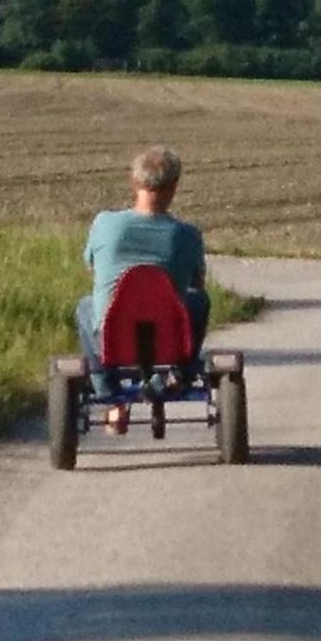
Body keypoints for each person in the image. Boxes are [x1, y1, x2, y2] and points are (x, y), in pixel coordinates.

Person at [75, 145, 209, 433]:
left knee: (86, 306)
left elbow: (92, 267)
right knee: (198, 301)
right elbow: (197, 283)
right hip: (169, 340)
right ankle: (181, 371)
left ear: (133, 182)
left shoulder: (105, 223)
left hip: (113, 337)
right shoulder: (187, 235)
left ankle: (109, 394)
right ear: (174, 186)